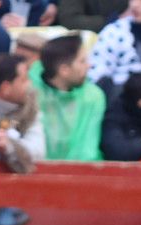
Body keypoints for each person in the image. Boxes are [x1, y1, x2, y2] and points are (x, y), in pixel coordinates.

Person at [30, 31, 105, 160]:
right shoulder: (30, 92)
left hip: (80, 174)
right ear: (64, 70)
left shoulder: (93, 96)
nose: (89, 65)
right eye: (82, 61)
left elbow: (87, 149)